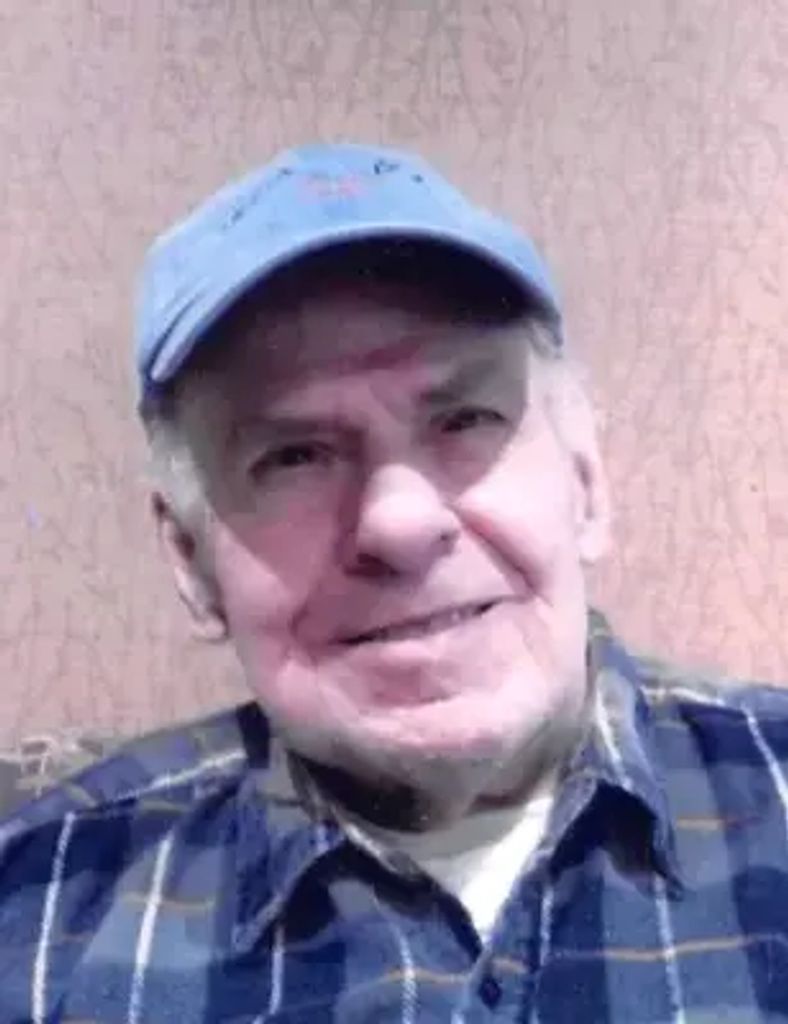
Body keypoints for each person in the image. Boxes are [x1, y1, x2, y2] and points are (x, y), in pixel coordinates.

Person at [1, 143, 788, 1024]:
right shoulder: (35, 915)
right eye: (293, 456)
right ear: (191, 558)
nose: (400, 524)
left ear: (586, 486)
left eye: (466, 418)